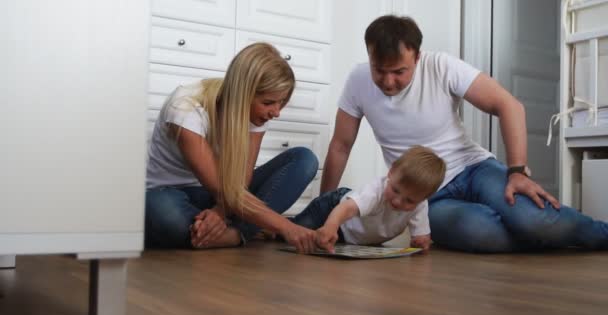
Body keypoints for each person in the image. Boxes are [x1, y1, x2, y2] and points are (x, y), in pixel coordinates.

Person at [321, 15, 608, 253]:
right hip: (425, 195)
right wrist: (324, 205)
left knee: (535, 221)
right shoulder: (358, 81)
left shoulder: (441, 66)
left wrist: (517, 171)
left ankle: (590, 233)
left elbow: (508, 105)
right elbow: (340, 146)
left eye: (398, 71)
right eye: (379, 70)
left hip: (474, 169)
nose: (388, 81)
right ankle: (543, 233)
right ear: (369, 56)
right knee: (484, 235)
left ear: (417, 57)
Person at [145, 42, 319, 253]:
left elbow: (239, 182)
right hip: (170, 194)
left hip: (222, 196)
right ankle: (236, 229)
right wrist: (287, 227)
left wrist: (220, 212)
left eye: (281, 102)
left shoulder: (256, 115)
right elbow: (223, 189)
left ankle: (235, 234)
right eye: (269, 102)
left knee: (304, 159)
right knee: (165, 215)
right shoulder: (185, 107)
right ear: (243, 94)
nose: (276, 112)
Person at [293, 145, 446, 253]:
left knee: (315, 241)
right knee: (298, 230)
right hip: (333, 208)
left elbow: (422, 237)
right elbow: (347, 208)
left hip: (351, 237)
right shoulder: (376, 190)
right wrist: (331, 226)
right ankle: (274, 226)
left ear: (424, 198)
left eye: (409, 201)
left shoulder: (420, 205)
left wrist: (420, 242)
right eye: (395, 190)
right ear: (391, 172)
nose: (397, 201)